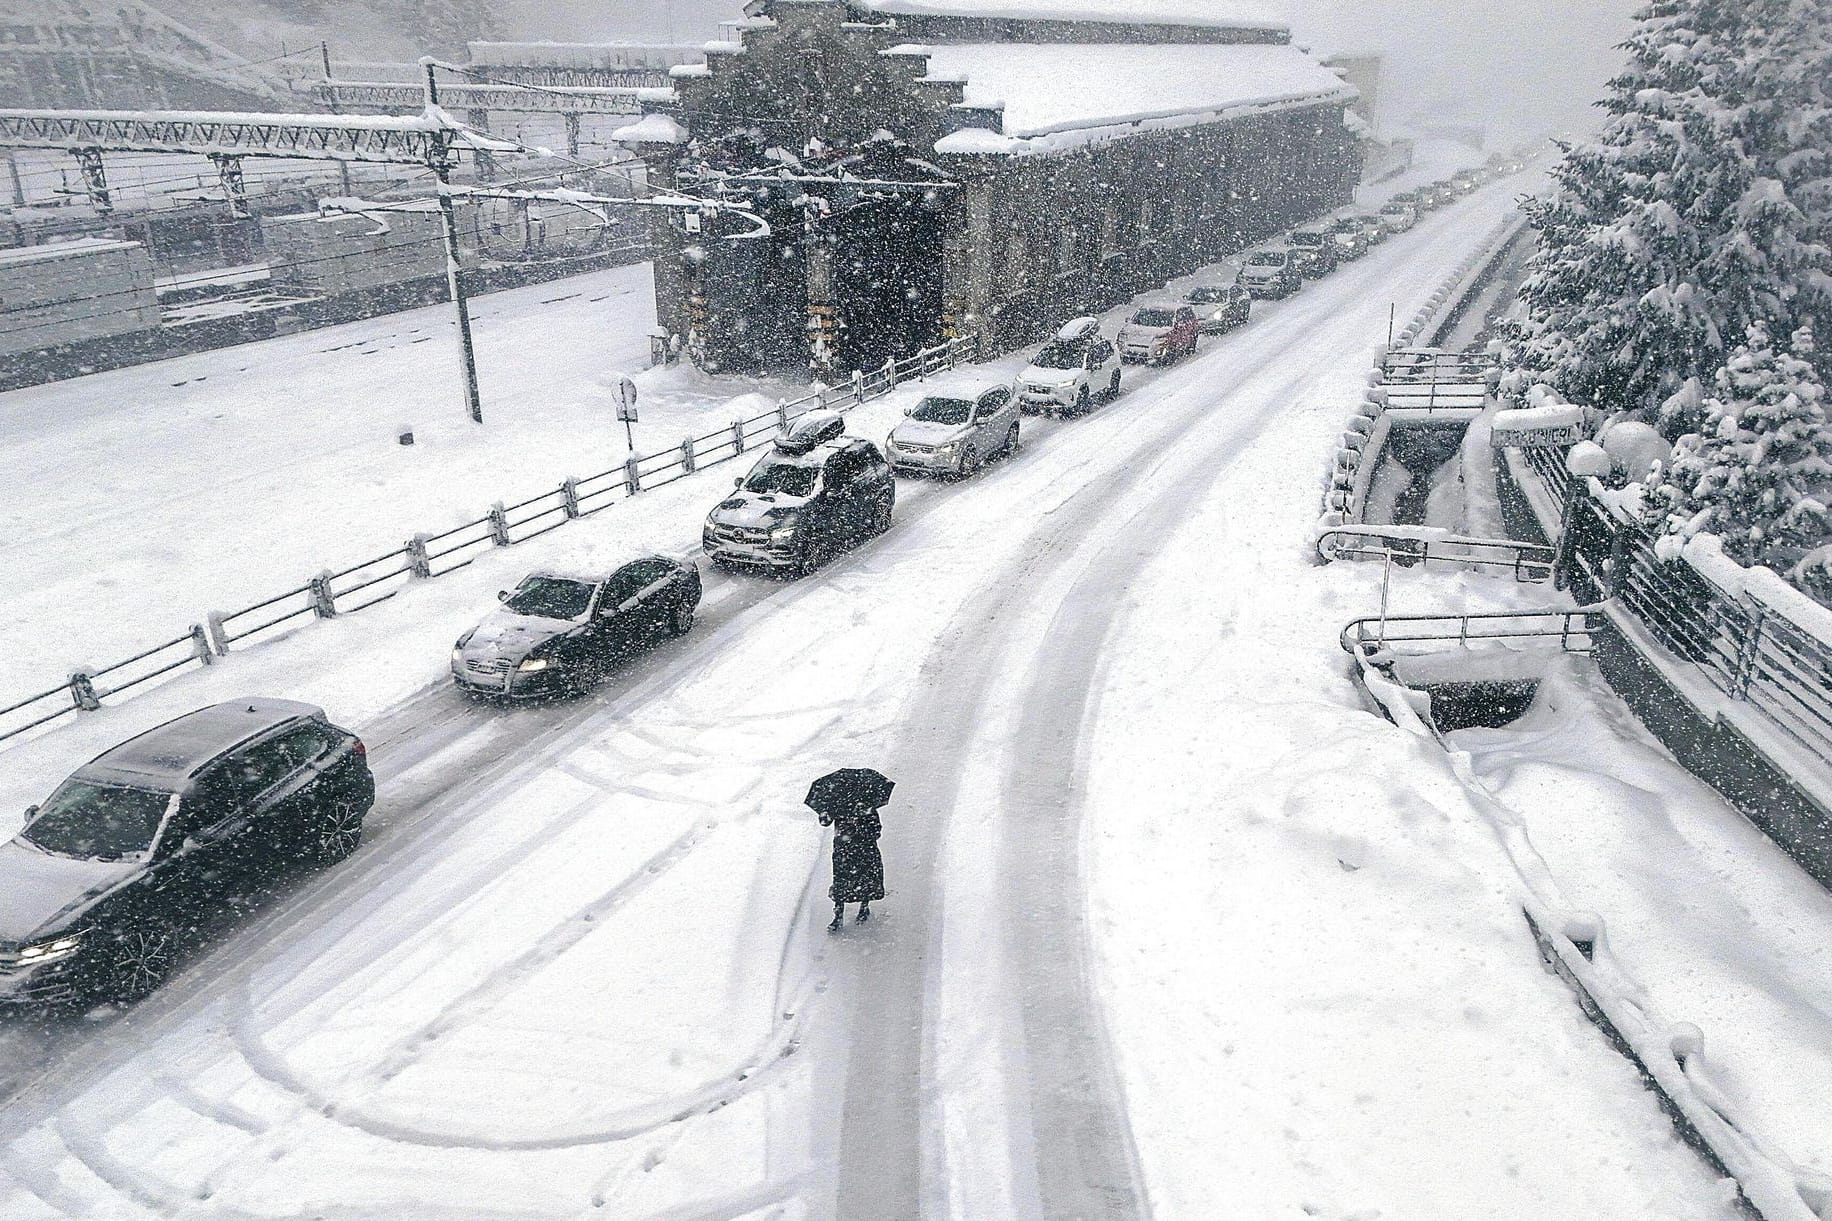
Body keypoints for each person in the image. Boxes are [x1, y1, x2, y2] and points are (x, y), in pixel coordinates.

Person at [822, 801, 885, 931]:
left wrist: (860, 828)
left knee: (866, 880)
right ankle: (838, 916)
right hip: (844, 851)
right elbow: (825, 821)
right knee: (841, 882)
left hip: (864, 851)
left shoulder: (867, 807)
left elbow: (877, 831)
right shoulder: (838, 805)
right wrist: (826, 815)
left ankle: (864, 908)